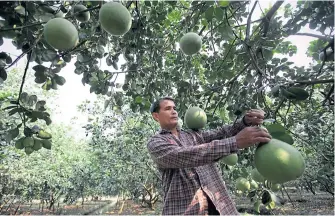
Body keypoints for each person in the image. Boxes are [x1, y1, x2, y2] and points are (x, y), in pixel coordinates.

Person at [147, 96, 272, 215]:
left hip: (219, 207)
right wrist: (235, 142)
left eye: (174, 108)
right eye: (168, 109)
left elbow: (222, 133)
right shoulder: (156, 143)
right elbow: (183, 155)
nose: (174, 111)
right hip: (185, 210)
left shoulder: (193, 135)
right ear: (156, 116)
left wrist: (245, 122)